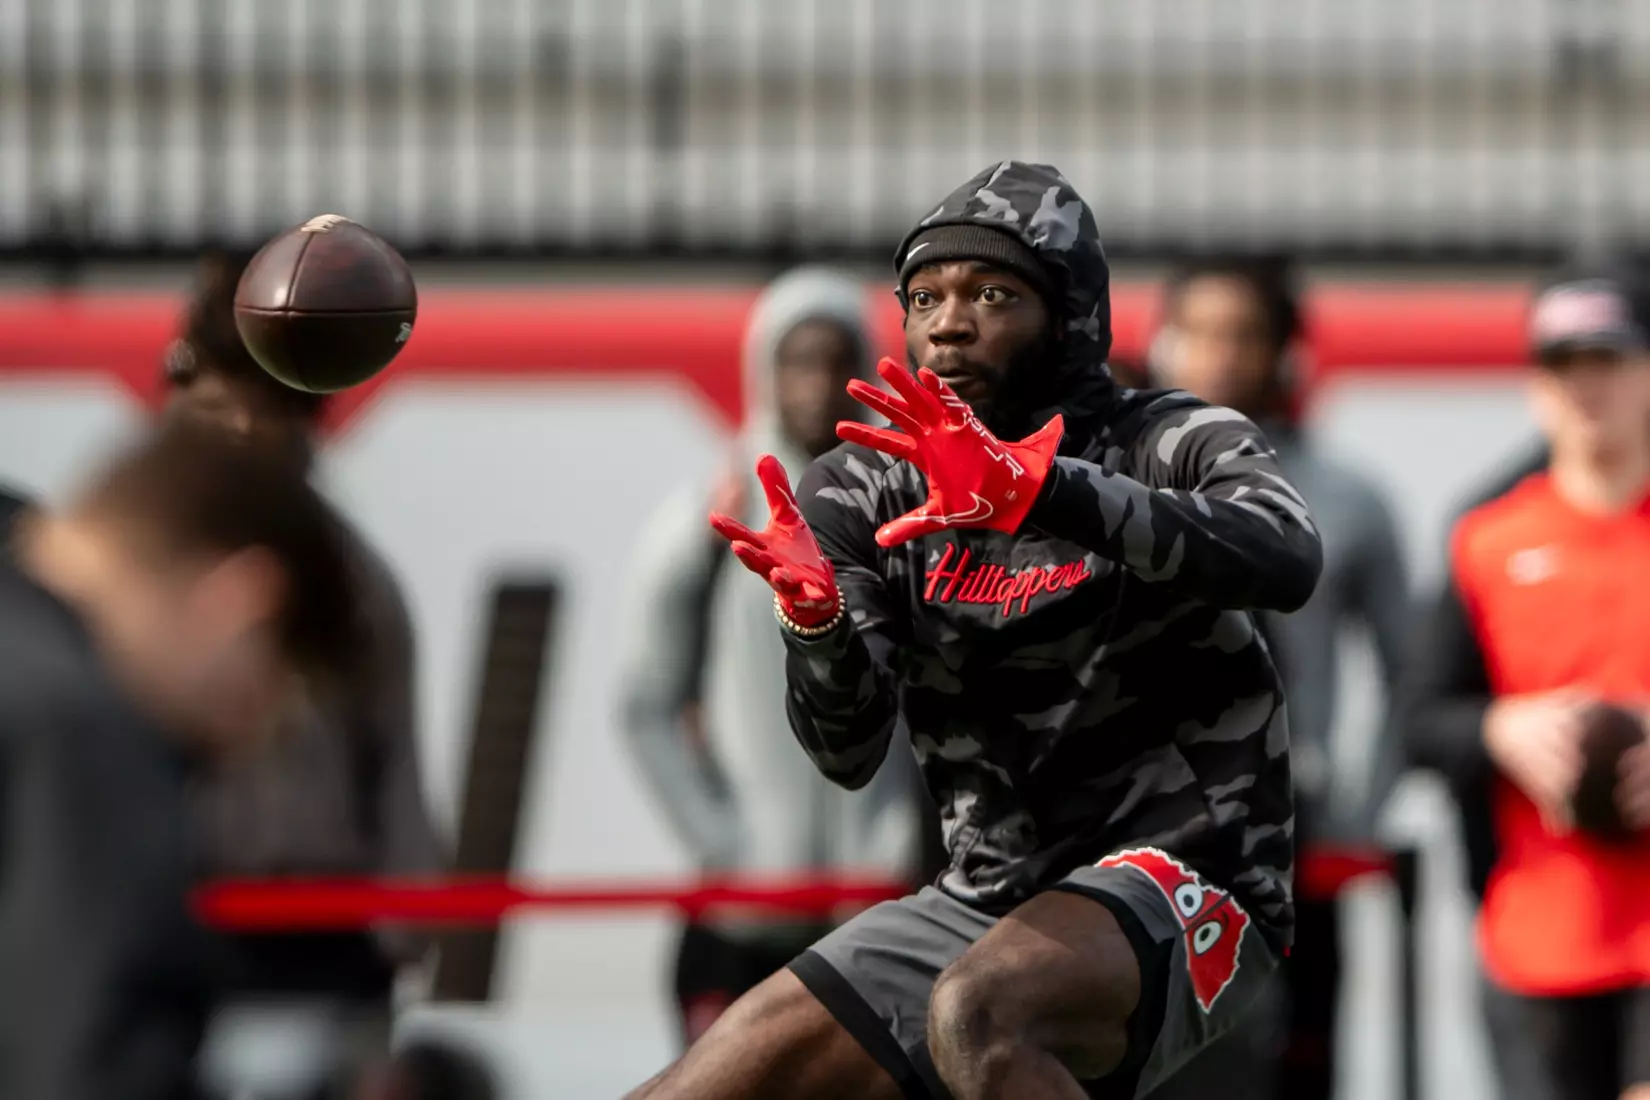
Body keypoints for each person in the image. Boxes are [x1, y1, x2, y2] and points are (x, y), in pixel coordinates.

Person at [627, 160, 1322, 1100]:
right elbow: (847, 750)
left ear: (1070, 313)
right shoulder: (857, 488)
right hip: (992, 892)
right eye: (924, 295)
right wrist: (819, 628)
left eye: (992, 292)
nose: (949, 319)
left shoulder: (1167, 436)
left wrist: (1045, 490)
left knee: (980, 1015)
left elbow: (1285, 553)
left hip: (1200, 872)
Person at [0, 420, 361, 1100]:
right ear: (243, 600)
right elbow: (90, 1068)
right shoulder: (84, 740)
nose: (236, 742)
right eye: (255, 700)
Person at [618, 267, 928, 1045]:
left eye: (835, 360)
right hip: (747, 916)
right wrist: (724, 842)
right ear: (765, 371)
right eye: (798, 361)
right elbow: (646, 700)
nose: (818, 383)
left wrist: (920, 836)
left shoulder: (913, 514)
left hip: (881, 902)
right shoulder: (710, 517)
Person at [1149, 255, 1411, 1100]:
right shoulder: (1106, 490)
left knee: (1296, 1071)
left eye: (1244, 336)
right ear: (1163, 344)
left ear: (1286, 355)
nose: (1220, 357)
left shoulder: (1349, 499)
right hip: (1137, 839)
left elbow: (1410, 672)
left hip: (1298, 845)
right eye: (1201, 334)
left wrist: (1361, 807)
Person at [160, 251, 443, 1007]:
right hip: (179, 922)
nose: (246, 439)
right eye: (224, 415)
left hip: (322, 929)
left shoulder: (351, 579)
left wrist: (402, 927)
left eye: (268, 414)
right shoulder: (144, 575)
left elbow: (393, 757)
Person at [1400, 260, 1650, 1100]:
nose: (1585, 388)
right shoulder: (1489, 538)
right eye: (1562, 366)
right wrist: (1500, 729)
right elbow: (1418, 719)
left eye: (1607, 362)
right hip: (1541, 930)